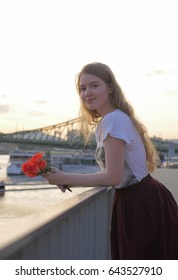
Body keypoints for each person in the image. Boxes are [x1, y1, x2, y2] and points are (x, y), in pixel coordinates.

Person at [43, 62, 178, 260]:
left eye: (94, 85)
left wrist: (64, 175)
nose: (87, 92)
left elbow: (113, 177)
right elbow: (117, 175)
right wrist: (69, 180)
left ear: (110, 87)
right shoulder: (112, 119)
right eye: (82, 88)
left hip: (140, 203)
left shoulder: (113, 120)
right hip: (140, 199)